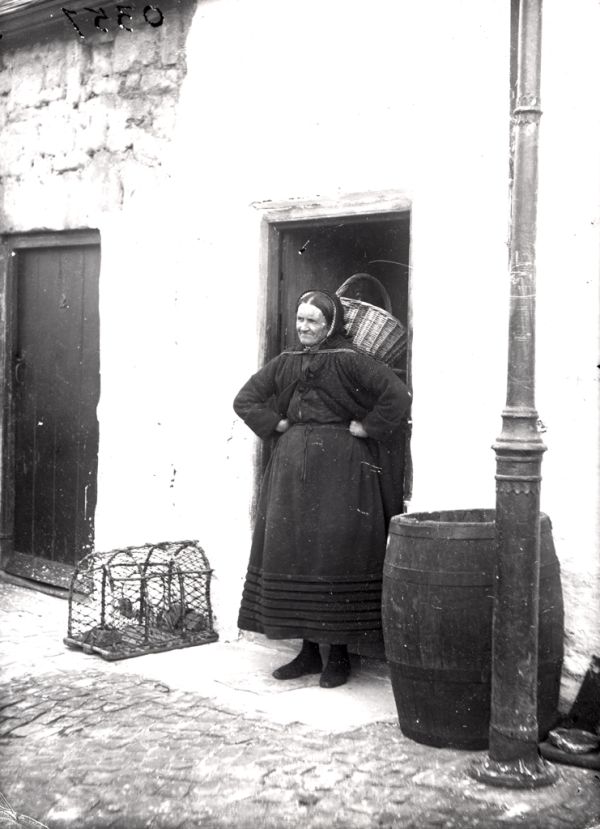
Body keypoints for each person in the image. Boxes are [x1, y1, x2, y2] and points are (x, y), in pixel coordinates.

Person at [233, 289, 411, 688]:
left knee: (335, 554)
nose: (304, 327)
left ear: (331, 324)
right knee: (296, 551)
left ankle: (339, 657)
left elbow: (397, 396)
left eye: (312, 320)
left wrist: (368, 427)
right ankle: (309, 653)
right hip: (291, 469)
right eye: (300, 319)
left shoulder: (352, 362)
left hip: (342, 469)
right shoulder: (288, 361)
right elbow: (245, 399)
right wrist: (276, 424)